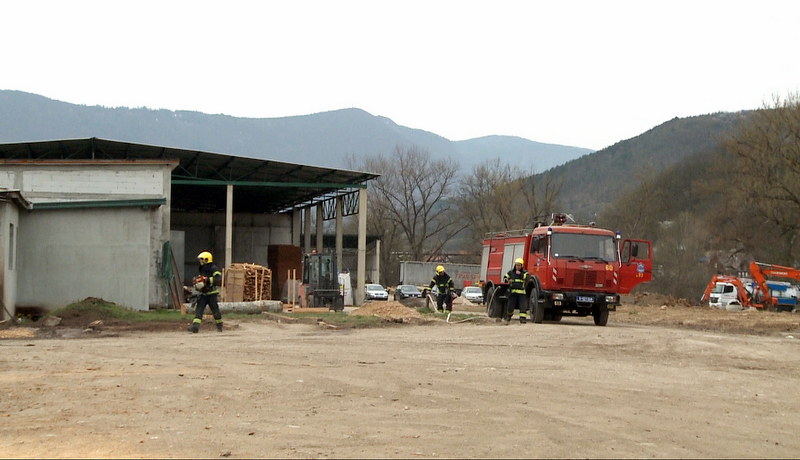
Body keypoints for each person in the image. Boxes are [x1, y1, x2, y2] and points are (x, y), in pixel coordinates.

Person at [188, 251, 223, 333]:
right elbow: (201, 278)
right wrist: (197, 282)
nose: (200, 261)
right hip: (203, 294)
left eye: (202, 259)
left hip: (212, 294)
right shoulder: (202, 268)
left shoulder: (213, 269)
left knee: (215, 311)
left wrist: (207, 280)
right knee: (199, 310)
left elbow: (218, 279)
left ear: (206, 260)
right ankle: (195, 327)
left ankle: (219, 326)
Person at [503, 257, 529, 324]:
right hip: (513, 292)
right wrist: (507, 280)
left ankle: (522, 319)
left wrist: (520, 274)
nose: (517, 267)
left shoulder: (525, 272)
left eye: (519, 265)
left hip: (521, 293)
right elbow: (505, 277)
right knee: (510, 306)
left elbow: (527, 278)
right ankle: (508, 316)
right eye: (516, 265)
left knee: (522, 306)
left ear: (521, 266)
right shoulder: (511, 272)